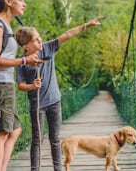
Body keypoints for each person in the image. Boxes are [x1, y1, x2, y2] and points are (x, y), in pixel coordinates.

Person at [15, 16, 104, 171]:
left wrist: (87, 25)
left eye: (39, 37)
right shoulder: (21, 62)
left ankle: (58, 169)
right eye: (36, 40)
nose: (40, 41)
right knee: (37, 140)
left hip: (54, 102)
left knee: (55, 139)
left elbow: (67, 34)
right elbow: (20, 85)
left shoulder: (48, 48)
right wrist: (32, 86)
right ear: (26, 47)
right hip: (37, 106)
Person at [0, 0, 43, 171]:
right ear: (8, 2)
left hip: (4, 83)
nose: (24, 3)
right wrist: (23, 60)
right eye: (20, 0)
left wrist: (27, 59)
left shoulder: (6, 27)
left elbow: (4, 58)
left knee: (15, 130)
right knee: (0, 133)